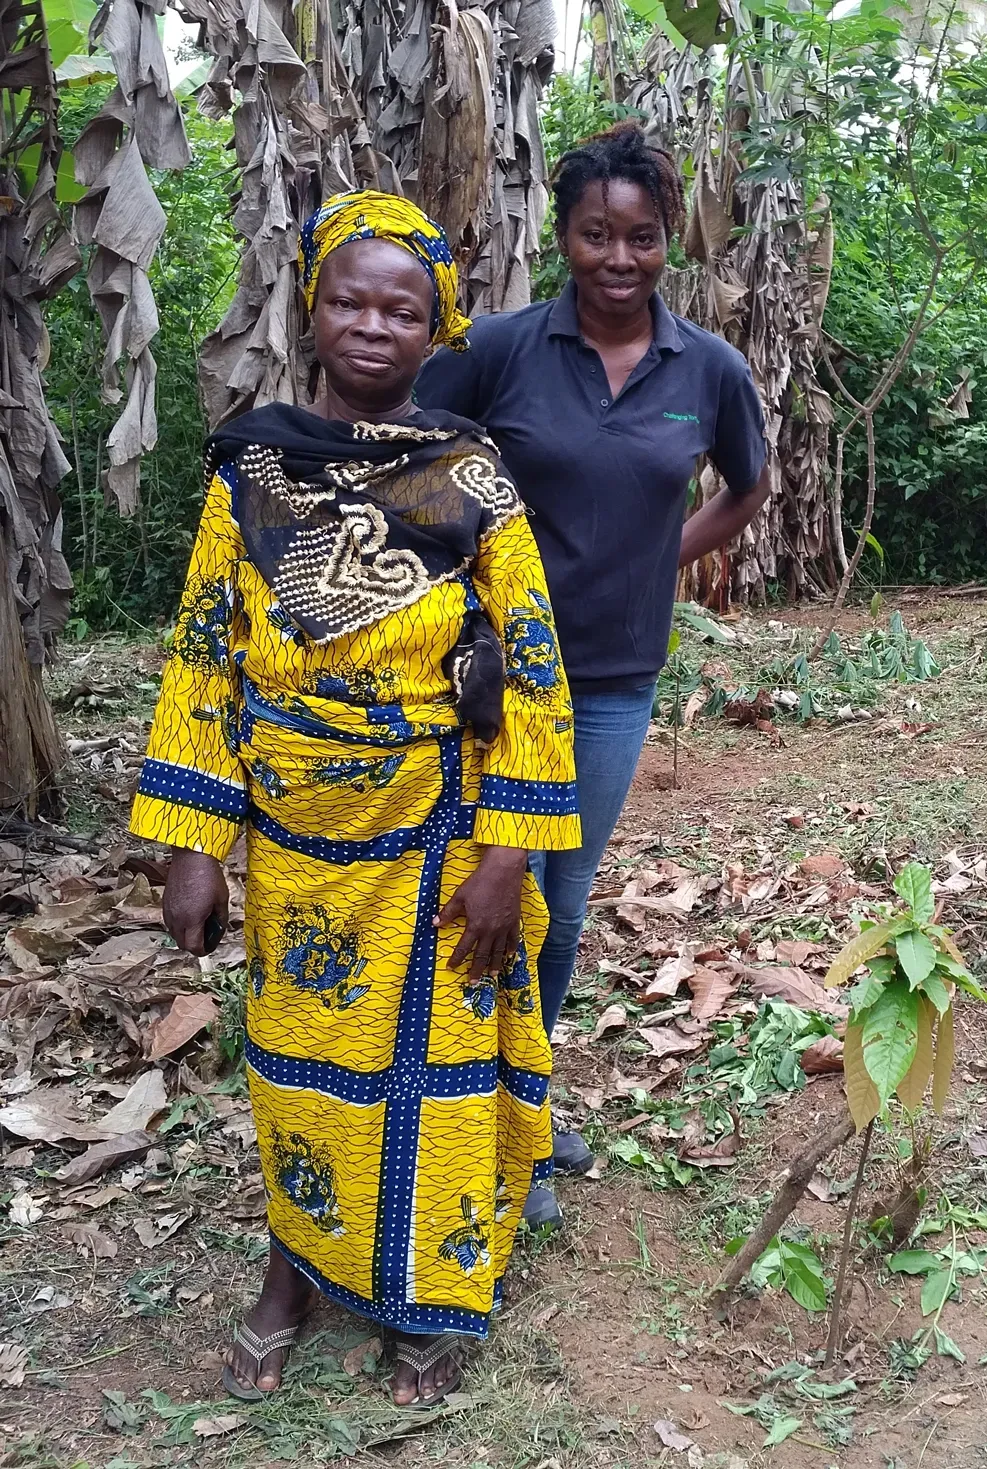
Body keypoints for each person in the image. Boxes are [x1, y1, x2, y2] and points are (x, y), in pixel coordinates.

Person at [131, 192, 580, 1408]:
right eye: (347, 299)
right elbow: (202, 654)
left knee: (431, 1066)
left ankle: (421, 1299)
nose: (371, 325)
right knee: (295, 1058)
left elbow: (533, 665)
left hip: (436, 831)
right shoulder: (252, 471)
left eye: (401, 307)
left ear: (438, 328)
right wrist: (192, 843)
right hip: (291, 836)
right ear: (310, 309)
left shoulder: (472, 479)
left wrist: (508, 855)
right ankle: (294, 1270)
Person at [416, 123, 772, 1227]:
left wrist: (654, 559)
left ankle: (520, 1100)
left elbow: (747, 486)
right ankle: (439, 1099)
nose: (618, 258)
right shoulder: (504, 349)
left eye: (642, 238)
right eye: (594, 235)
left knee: (557, 903)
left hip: (612, 677)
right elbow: (411, 463)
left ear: (670, 242)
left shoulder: (704, 367)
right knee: (463, 882)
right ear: (562, 237)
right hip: (479, 672)